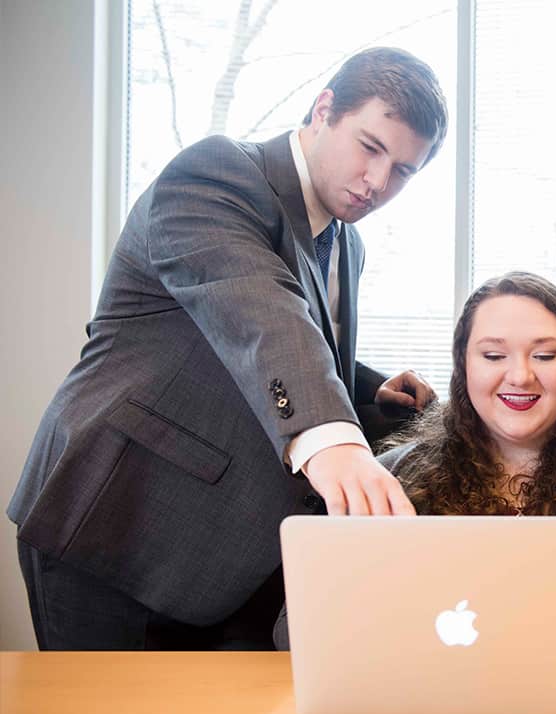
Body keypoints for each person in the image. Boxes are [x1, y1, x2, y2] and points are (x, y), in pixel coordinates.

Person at [8, 47, 448, 650]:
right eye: (371, 148)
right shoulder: (219, 174)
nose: (378, 182)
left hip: (233, 548)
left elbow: (291, 337)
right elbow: (256, 311)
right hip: (119, 523)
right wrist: (335, 440)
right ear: (324, 110)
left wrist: (369, 388)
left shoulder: (347, 245)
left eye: (403, 170)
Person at [274, 272, 556, 651]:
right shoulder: (391, 477)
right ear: (463, 367)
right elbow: (297, 629)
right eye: (493, 356)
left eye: (544, 355)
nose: (521, 375)